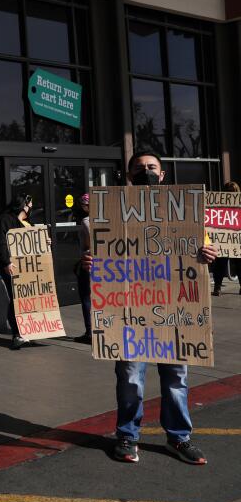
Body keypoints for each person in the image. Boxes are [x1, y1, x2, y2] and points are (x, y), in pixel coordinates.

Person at [83, 150, 217, 465]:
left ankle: (179, 438)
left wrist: (208, 254)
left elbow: (203, 248)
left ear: (163, 174)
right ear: (129, 176)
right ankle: (127, 436)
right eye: (140, 168)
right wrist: (89, 262)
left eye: (152, 167)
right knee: (130, 377)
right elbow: (99, 255)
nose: (147, 171)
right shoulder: (112, 214)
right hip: (129, 311)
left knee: (176, 379)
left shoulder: (186, 211)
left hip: (175, 313)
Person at [0, 194, 34, 349]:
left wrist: (45, 241)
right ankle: (18, 333)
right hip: (12, 267)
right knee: (17, 299)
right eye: (30, 203)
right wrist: (6, 262)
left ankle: (28, 330)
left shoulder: (27, 223)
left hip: (29, 269)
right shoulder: (5, 220)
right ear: (24, 205)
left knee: (27, 298)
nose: (31, 207)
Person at [211, 180, 241, 296]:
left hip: (231, 238)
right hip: (225, 238)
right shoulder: (219, 204)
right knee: (224, 264)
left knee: (224, 264)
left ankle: (217, 288)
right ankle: (217, 288)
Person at [73, 193, 92, 344]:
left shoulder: (86, 221)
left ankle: (90, 331)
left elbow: (89, 244)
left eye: (83, 204)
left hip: (88, 262)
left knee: (86, 297)